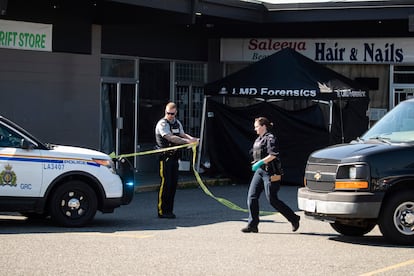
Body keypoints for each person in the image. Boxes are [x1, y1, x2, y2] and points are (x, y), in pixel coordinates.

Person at [241, 117, 300, 233]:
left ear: (263, 126)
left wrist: (260, 162)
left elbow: (273, 155)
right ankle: (252, 224)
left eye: (257, 127)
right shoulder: (258, 139)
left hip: (271, 172)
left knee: (272, 199)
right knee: (252, 197)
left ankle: (293, 218)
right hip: (260, 171)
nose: (255, 129)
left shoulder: (270, 138)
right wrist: (256, 162)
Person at [155, 102, 198, 219]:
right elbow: (170, 137)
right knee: (166, 183)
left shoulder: (177, 123)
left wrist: (192, 139)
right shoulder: (162, 124)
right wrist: (187, 142)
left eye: (172, 114)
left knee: (173, 184)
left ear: (175, 113)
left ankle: (169, 210)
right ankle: (162, 210)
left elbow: (182, 134)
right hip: (165, 158)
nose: (170, 116)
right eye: (168, 113)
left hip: (174, 158)